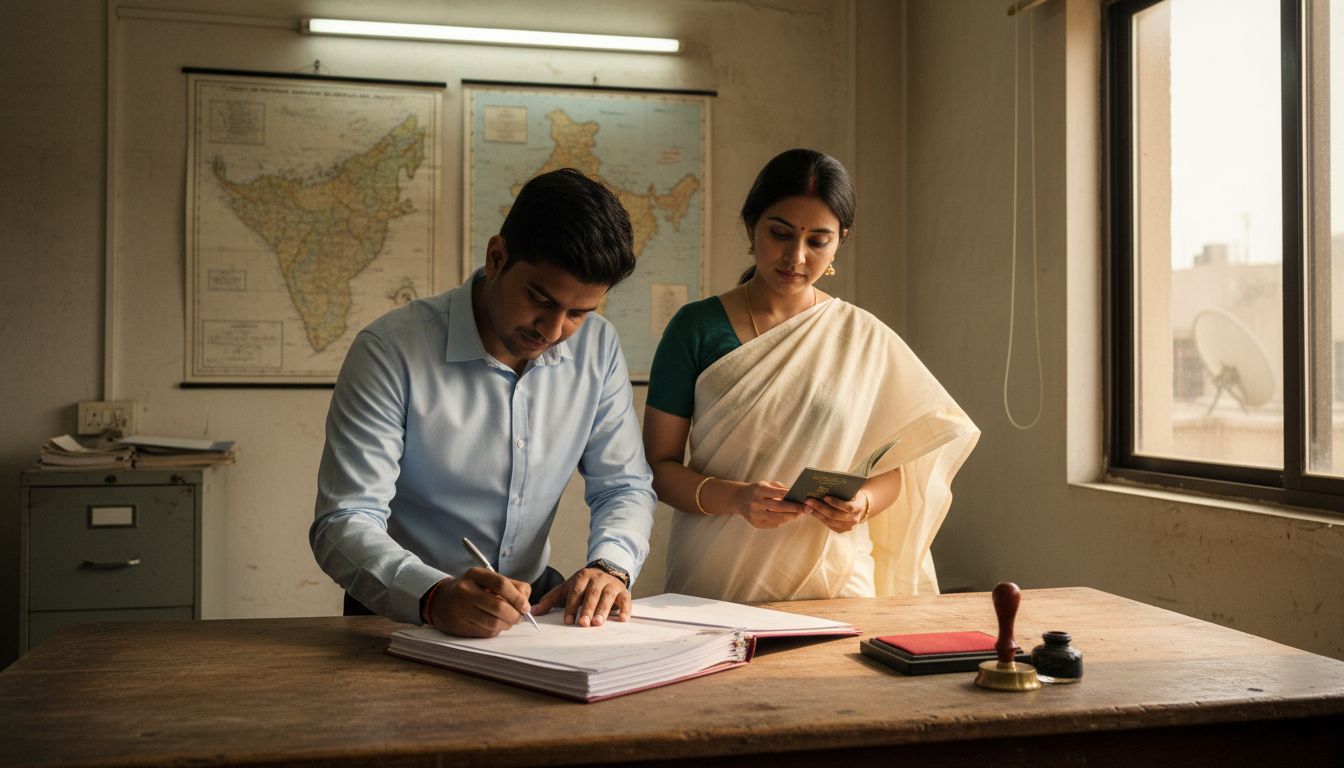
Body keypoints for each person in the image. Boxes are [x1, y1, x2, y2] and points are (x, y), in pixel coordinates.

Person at [311, 168, 656, 637]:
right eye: (540, 298)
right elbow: (344, 519)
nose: (553, 331)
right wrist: (433, 596)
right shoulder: (390, 350)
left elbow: (623, 486)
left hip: (532, 608)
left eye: (578, 312)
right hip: (407, 607)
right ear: (497, 257)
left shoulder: (598, 347)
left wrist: (611, 566)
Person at [642, 149, 979, 603]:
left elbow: (893, 471)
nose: (795, 256)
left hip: (835, 582)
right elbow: (659, 468)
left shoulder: (862, 337)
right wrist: (736, 499)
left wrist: (861, 505)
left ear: (840, 241)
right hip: (718, 578)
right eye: (780, 234)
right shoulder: (695, 328)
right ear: (751, 227)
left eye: (818, 241)